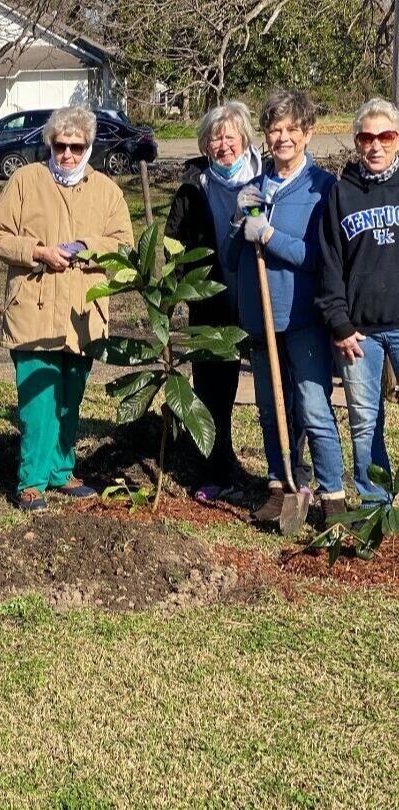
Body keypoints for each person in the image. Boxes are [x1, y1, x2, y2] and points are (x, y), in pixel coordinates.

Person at [0, 105, 134, 512]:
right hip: (33, 309)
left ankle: (61, 471)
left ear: (88, 147)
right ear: (49, 144)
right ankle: (31, 479)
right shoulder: (24, 180)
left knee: (71, 396)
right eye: (60, 146)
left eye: (76, 146)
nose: (67, 154)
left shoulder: (107, 190)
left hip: (82, 313)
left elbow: (125, 246)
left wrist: (88, 249)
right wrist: (36, 251)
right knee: (37, 400)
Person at [225, 90, 345, 524]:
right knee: (271, 408)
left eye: (292, 129)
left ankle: (333, 497)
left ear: (308, 133)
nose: (283, 137)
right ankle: (279, 486)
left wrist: (271, 236)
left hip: (302, 316)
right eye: (275, 129)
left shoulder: (322, 189)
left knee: (313, 407)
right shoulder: (254, 188)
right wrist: (240, 225)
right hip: (261, 317)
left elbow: (320, 257)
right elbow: (232, 258)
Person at [164, 101, 262, 502]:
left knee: (282, 390)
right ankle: (217, 471)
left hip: (261, 300)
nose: (222, 145)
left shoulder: (264, 178)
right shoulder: (194, 185)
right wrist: (181, 285)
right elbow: (173, 244)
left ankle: (287, 475)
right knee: (213, 392)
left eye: (229, 136)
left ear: (244, 138)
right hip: (212, 303)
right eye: (214, 138)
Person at [317, 97, 399, 500]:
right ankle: (374, 509)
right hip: (360, 334)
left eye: (386, 135)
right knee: (366, 423)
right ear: (356, 141)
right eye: (367, 137)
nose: (376, 145)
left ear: (397, 140)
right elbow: (330, 265)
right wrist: (340, 324)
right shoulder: (341, 194)